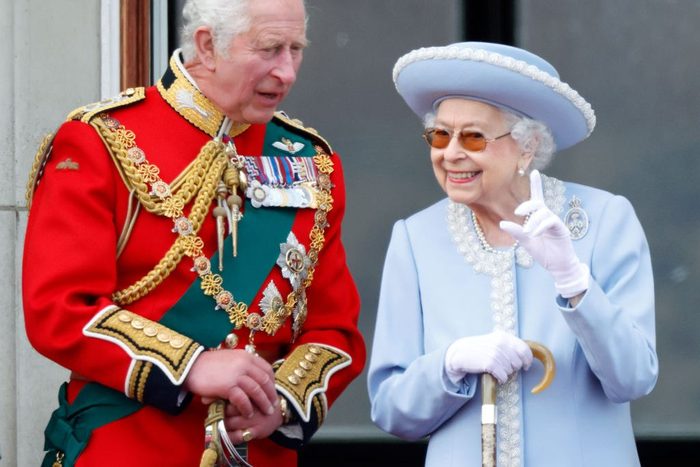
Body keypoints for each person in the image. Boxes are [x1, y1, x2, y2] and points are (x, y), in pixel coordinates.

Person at [23, 0, 365, 466]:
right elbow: (59, 310)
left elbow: (335, 330)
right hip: (129, 446)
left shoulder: (310, 162)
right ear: (207, 45)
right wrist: (192, 367)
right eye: (269, 50)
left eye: (295, 49)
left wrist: (279, 402)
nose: (287, 73)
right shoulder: (102, 140)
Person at [367, 42, 657, 466]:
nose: (450, 153)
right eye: (441, 134)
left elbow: (633, 378)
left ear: (528, 146)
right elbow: (391, 410)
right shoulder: (415, 238)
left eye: (473, 136)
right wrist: (448, 365)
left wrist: (575, 283)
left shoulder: (605, 220)